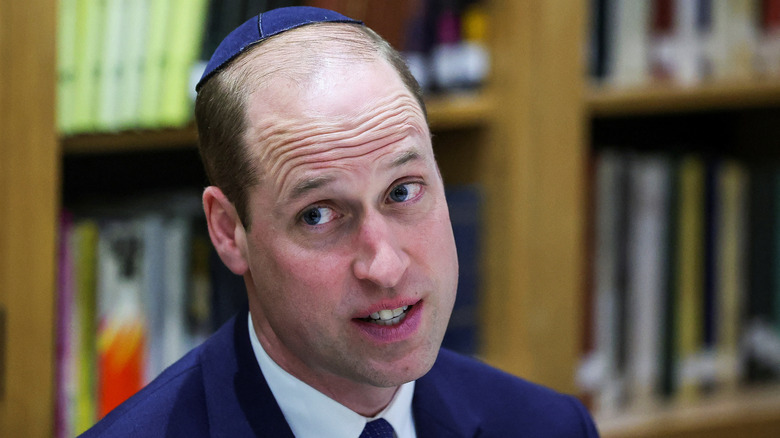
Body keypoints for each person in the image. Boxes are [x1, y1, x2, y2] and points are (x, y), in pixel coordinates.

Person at [81, 6, 599, 437]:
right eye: (318, 215)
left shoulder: (549, 426)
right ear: (228, 231)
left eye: (403, 191)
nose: (385, 265)